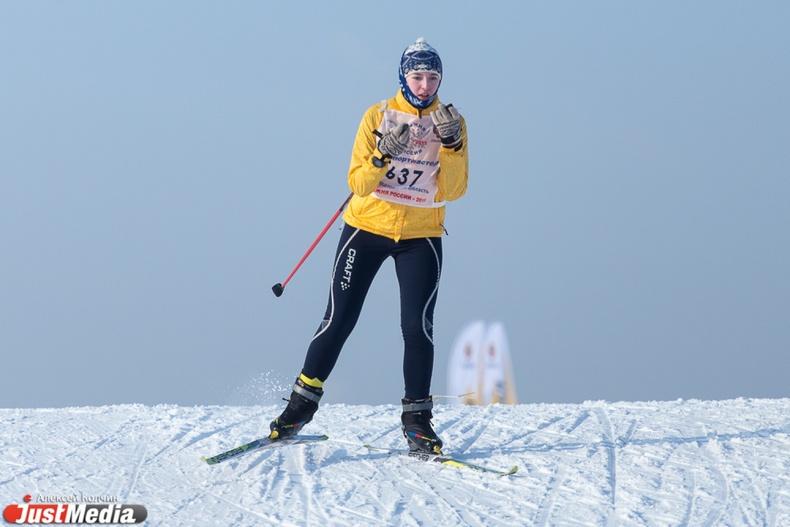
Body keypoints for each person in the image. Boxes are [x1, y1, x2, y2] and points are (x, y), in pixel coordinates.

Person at [268, 37, 468, 455]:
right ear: (403, 75)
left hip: (420, 236)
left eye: (433, 76)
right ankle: (300, 407)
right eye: (417, 75)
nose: (426, 85)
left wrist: (451, 147)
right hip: (367, 228)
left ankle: (417, 420)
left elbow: (455, 189)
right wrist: (380, 156)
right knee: (339, 318)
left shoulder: (452, 122)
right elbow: (356, 183)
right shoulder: (377, 115)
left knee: (418, 328)